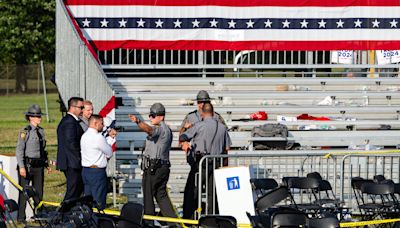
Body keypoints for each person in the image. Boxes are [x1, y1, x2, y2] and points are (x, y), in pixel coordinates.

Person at [179, 103, 231, 219]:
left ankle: (188, 219)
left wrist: (185, 140)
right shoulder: (222, 127)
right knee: (213, 193)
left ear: (202, 113)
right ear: (213, 112)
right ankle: (212, 219)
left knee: (192, 190)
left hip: (201, 163)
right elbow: (227, 149)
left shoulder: (199, 125)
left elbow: (183, 137)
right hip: (217, 163)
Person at [128, 103, 178, 220]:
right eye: (150, 115)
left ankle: (149, 222)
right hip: (160, 167)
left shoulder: (161, 129)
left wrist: (138, 121)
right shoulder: (166, 130)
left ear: (161, 116)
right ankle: (173, 223)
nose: (151, 118)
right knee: (161, 196)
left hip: (154, 169)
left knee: (148, 197)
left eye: (153, 115)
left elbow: (149, 130)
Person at [16, 104, 49, 222]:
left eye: (40, 115)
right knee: (24, 193)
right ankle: (21, 217)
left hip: (38, 166)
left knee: (39, 192)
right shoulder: (25, 131)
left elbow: (42, 150)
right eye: (36, 116)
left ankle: (39, 215)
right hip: (27, 166)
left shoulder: (41, 131)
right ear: (30, 117)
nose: (39, 118)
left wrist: (46, 164)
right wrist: (21, 167)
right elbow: (19, 150)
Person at [80, 115, 114, 209]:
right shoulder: (98, 137)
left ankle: (90, 221)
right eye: (101, 123)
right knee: (99, 201)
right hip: (97, 172)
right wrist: (111, 139)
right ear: (95, 123)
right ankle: (97, 221)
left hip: (86, 171)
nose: (103, 126)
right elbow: (109, 152)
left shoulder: (84, 136)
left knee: (88, 200)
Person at [56, 97, 85, 201]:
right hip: (71, 162)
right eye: (81, 107)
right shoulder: (69, 122)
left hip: (72, 161)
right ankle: (62, 214)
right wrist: (80, 158)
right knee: (72, 191)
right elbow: (71, 143)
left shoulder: (72, 121)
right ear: (73, 107)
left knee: (76, 191)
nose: (82, 110)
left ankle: (69, 212)